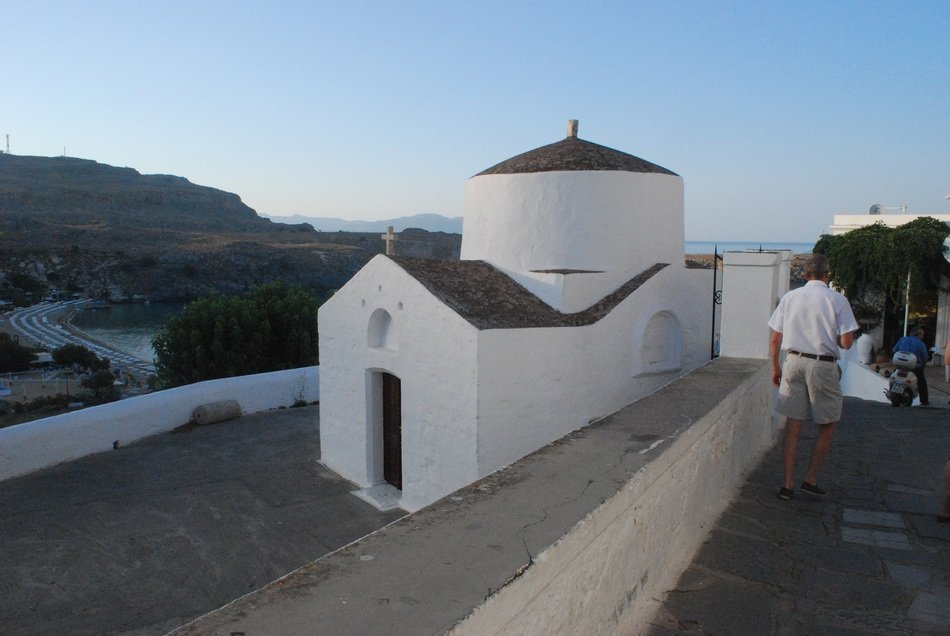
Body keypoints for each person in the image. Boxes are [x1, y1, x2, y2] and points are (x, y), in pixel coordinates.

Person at [768, 253, 858, 501]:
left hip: (793, 361)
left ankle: (787, 484)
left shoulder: (790, 297)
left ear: (805, 275)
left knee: (792, 425)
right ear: (827, 275)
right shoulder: (838, 300)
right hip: (822, 365)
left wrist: (776, 368)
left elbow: (775, 337)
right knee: (827, 423)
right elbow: (847, 342)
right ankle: (810, 478)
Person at [892, 327, 929, 406]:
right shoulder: (921, 344)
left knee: (893, 375)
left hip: (900, 365)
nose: (923, 336)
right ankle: (924, 400)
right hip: (914, 367)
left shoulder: (902, 339)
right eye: (922, 335)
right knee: (921, 382)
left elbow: (894, 350)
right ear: (918, 335)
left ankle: (891, 389)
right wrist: (923, 365)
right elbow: (925, 357)